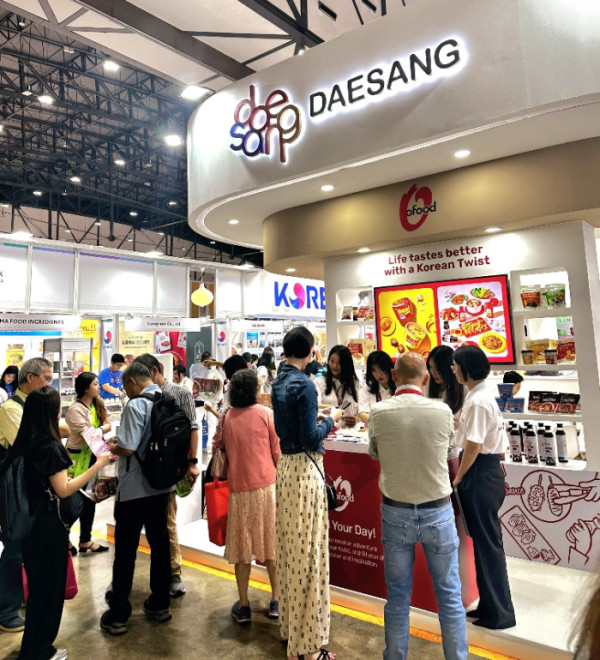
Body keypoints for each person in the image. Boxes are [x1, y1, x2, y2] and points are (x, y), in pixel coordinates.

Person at [368, 353, 468, 660]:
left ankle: (395, 656)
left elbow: (374, 453)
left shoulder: (378, 412)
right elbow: (451, 454)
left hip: (395, 511)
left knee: (398, 595)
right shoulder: (442, 411)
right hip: (438, 510)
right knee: (449, 595)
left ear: (394, 376)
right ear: (425, 378)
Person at [6, 386, 110, 660]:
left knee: (38, 591)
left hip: (30, 527)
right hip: (49, 529)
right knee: (49, 592)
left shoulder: (25, 443)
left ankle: (33, 647)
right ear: (51, 413)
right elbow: (63, 489)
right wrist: (98, 465)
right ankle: (40, 650)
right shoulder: (50, 447)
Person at [271, 326, 343, 660]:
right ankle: (308, 648)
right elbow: (311, 438)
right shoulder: (305, 384)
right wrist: (332, 420)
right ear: (311, 351)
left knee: (291, 553)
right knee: (310, 557)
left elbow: (293, 427)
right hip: (305, 472)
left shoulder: (279, 381)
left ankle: (292, 631)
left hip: (286, 469)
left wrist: (316, 417)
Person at [100, 362, 173, 635]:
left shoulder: (136, 405)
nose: (125, 391)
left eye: (125, 386)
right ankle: (160, 603)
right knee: (160, 545)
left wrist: (112, 446)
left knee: (126, 551)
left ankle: (118, 614)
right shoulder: (167, 400)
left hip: (134, 490)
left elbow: (129, 448)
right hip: (161, 486)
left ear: (132, 381)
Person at [451, 345, 516, 630]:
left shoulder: (478, 400)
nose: (452, 369)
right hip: (486, 473)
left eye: (455, 365)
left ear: (466, 368)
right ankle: (489, 605)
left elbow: (474, 445)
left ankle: (500, 614)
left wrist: (459, 477)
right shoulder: (478, 396)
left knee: (488, 546)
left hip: (480, 473)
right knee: (484, 543)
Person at [212, 369, 280, 624]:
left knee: (242, 549)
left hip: (239, 489)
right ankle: (276, 602)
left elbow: (217, 446)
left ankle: (243, 606)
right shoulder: (266, 414)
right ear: (255, 390)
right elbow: (277, 452)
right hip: (267, 487)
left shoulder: (227, 417)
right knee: (271, 546)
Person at [133, 353, 200, 598]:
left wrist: (191, 462)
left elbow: (193, 427)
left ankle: (174, 571)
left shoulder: (179, 393)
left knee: (167, 519)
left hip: (170, 468)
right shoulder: (138, 396)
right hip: (143, 468)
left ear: (153, 371)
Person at [0, 357, 53, 634]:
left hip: (31, 488)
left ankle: (19, 597)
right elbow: (28, 444)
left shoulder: (36, 407)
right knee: (14, 548)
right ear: (30, 378)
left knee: (29, 547)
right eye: (46, 378)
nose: (49, 384)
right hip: (13, 491)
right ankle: (6, 611)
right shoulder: (11, 408)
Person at [65, 372, 112, 554]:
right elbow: (89, 435)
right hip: (77, 460)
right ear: (85, 388)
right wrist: (101, 429)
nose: (98, 387)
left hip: (94, 457)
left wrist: (99, 430)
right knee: (74, 501)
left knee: (90, 500)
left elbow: (108, 423)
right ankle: (63, 537)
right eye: (95, 384)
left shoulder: (97, 404)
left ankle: (85, 540)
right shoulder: (75, 410)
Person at [314, 345, 360, 427]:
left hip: (352, 432)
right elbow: (314, 405)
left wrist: (357, 419)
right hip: (327, 431)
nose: (334, 366)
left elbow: (365, 411)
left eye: (339, 363)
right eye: (332, 361)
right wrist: (333, 408)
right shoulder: (320, 382)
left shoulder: (357, 385)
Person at [358, 350, 394, 422]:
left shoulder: (400, 385)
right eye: (374, 370)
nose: (379, 374)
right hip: (375, 427)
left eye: (382, 369)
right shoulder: (368, 387)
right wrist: (380, 423)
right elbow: (362, 413)